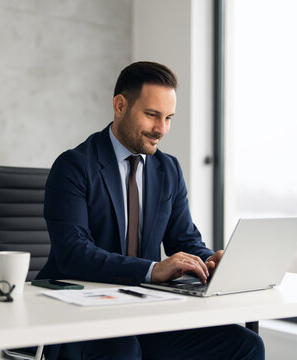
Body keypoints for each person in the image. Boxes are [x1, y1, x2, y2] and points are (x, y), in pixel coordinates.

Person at [36, 61, 265, 359]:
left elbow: (184, 241)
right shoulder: (74, 166)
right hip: (81, 315)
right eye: (152, 115)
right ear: (120, 105)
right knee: (124, 350)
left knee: (246, 344)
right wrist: (152, 270)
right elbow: (73, 253)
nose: (162, 129)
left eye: (169, 117)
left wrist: (210, 261)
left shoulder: (168, 169)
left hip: (143, 311)